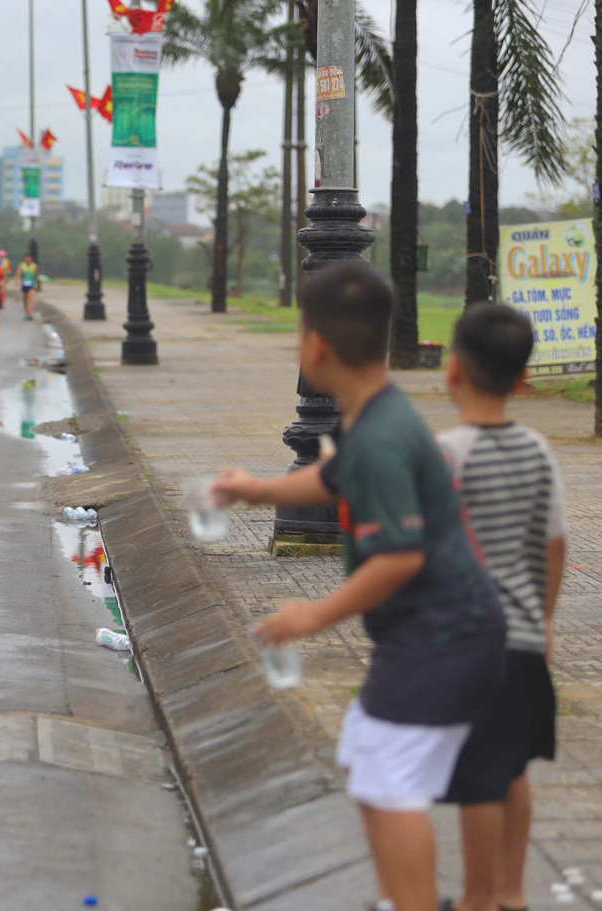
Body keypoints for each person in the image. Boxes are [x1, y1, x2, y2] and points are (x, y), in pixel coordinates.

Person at [212, 264, 506, 911]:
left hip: (442, 634)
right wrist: (256, 490)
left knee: (387, 778)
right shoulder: (376, 413)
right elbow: (330, 476)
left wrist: (312, 616)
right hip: (435, 631)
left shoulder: (380, 439)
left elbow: (398, 557)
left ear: (316, 347)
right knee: (367, 758)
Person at [425, 304, 567, 911]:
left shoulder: (447, 453)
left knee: (478, 776)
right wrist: (545, 617)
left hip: (474, 641)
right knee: (512, 769)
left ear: (453, 369)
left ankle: (478, 899)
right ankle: (511, 892)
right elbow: (554, 544)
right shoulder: (538, 450)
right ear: (522, 376)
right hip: (526, 639)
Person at [14, 252, 39, 320]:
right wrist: (17, 281)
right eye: (26, 258)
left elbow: (36, 276)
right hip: (24, 285)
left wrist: (37, 285)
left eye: (29, 258)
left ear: (31, 259)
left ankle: (30, 313)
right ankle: (26, 312)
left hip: (32, 285)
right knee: (25, 299)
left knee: (30, 298)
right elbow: (18, 274)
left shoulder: (34, 266)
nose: (28, 260)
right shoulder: (22, 265)